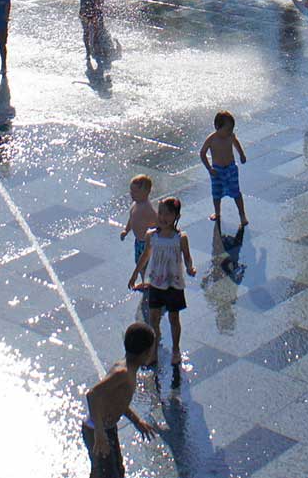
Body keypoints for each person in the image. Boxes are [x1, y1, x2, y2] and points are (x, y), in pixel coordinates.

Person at [82, 323, 159, 476]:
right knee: (107, 473)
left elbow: (118, 402)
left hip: (107, 428)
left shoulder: (129, 370)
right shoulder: (122, 372)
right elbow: (92, 395)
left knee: (114, 470)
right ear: (146, 352)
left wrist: (137, 421)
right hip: (96, 430)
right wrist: (99, 432)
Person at [128, 196, 196, 367]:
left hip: (174, 283)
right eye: (160, 213)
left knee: (174, 318)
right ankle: (153, 351)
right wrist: (135, 274)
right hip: (156, 283)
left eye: (168, 214)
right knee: (153, 319)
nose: (163, 217)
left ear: (176, 216)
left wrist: (190, 267)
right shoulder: (151, 236)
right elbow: (145, 256)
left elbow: (187, 257)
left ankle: (175, 349)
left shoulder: (180, 237)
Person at [199, 111, 247, 227]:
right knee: (216, 193)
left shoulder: (230, 136)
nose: (230, 131)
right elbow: (202, 153)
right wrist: (209, 168)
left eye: (231, 128)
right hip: (217, 171)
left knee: (236, 192)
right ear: (217, 127)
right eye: (228, 129)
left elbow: (236, 144)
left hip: (231, 169)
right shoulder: (212, 139)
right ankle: (217, 213)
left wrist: (241, 154)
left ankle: (242, 215)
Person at [119, 174, 159, 277]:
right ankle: (143, 280)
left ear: (146, 192)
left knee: (148, 264)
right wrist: (126, 230)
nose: (132, 194)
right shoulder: (135, 205)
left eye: (135, 191)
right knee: (139, 263)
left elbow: (158, 222)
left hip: (147, 243)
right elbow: (131, 219)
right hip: (138, 241)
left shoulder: (147, 209)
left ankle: (150, 282)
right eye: (131, 191)